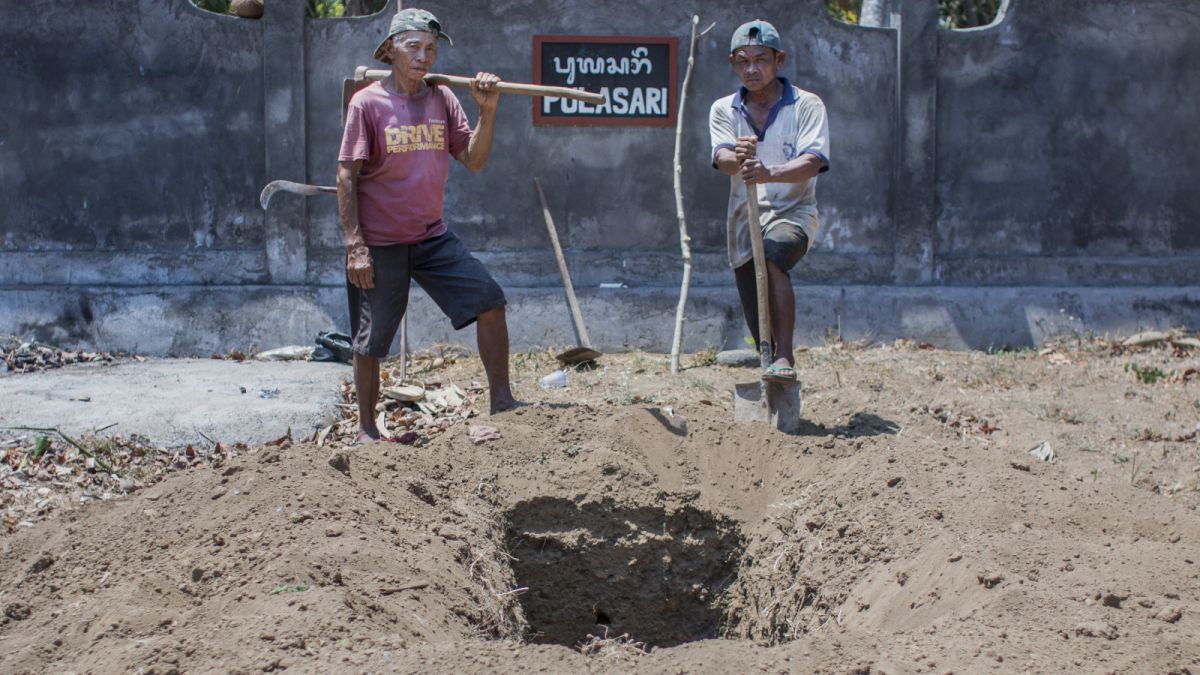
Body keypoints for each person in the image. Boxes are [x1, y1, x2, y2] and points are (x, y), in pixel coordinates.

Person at [337, 8, 519, 442]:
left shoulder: (442, 98)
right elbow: (346, 175)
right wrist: (355, 245)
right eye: (414, 47)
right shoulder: (368, 103)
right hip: (380, 242)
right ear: (391, 50)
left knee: (489, 300)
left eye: (431, 49)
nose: (424, 57)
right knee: (371, 339)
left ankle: (503, 402)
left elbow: (473, 159)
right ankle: (366, 430)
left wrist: (487, 111)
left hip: (431, 235)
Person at [709, 19, 830, 383]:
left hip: (794, 211)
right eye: (743, 61)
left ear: (779, 60)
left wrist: (768, 172)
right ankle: (773, 373)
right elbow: (722, 158)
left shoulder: (806, 105)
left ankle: (785, 357)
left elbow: (813, 161)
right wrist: (740, 159)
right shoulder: (724, 109)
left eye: (761, 59)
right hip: (744, 217)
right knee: (756, 312)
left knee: (775, 254)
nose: (752, 69)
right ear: (733, 64)